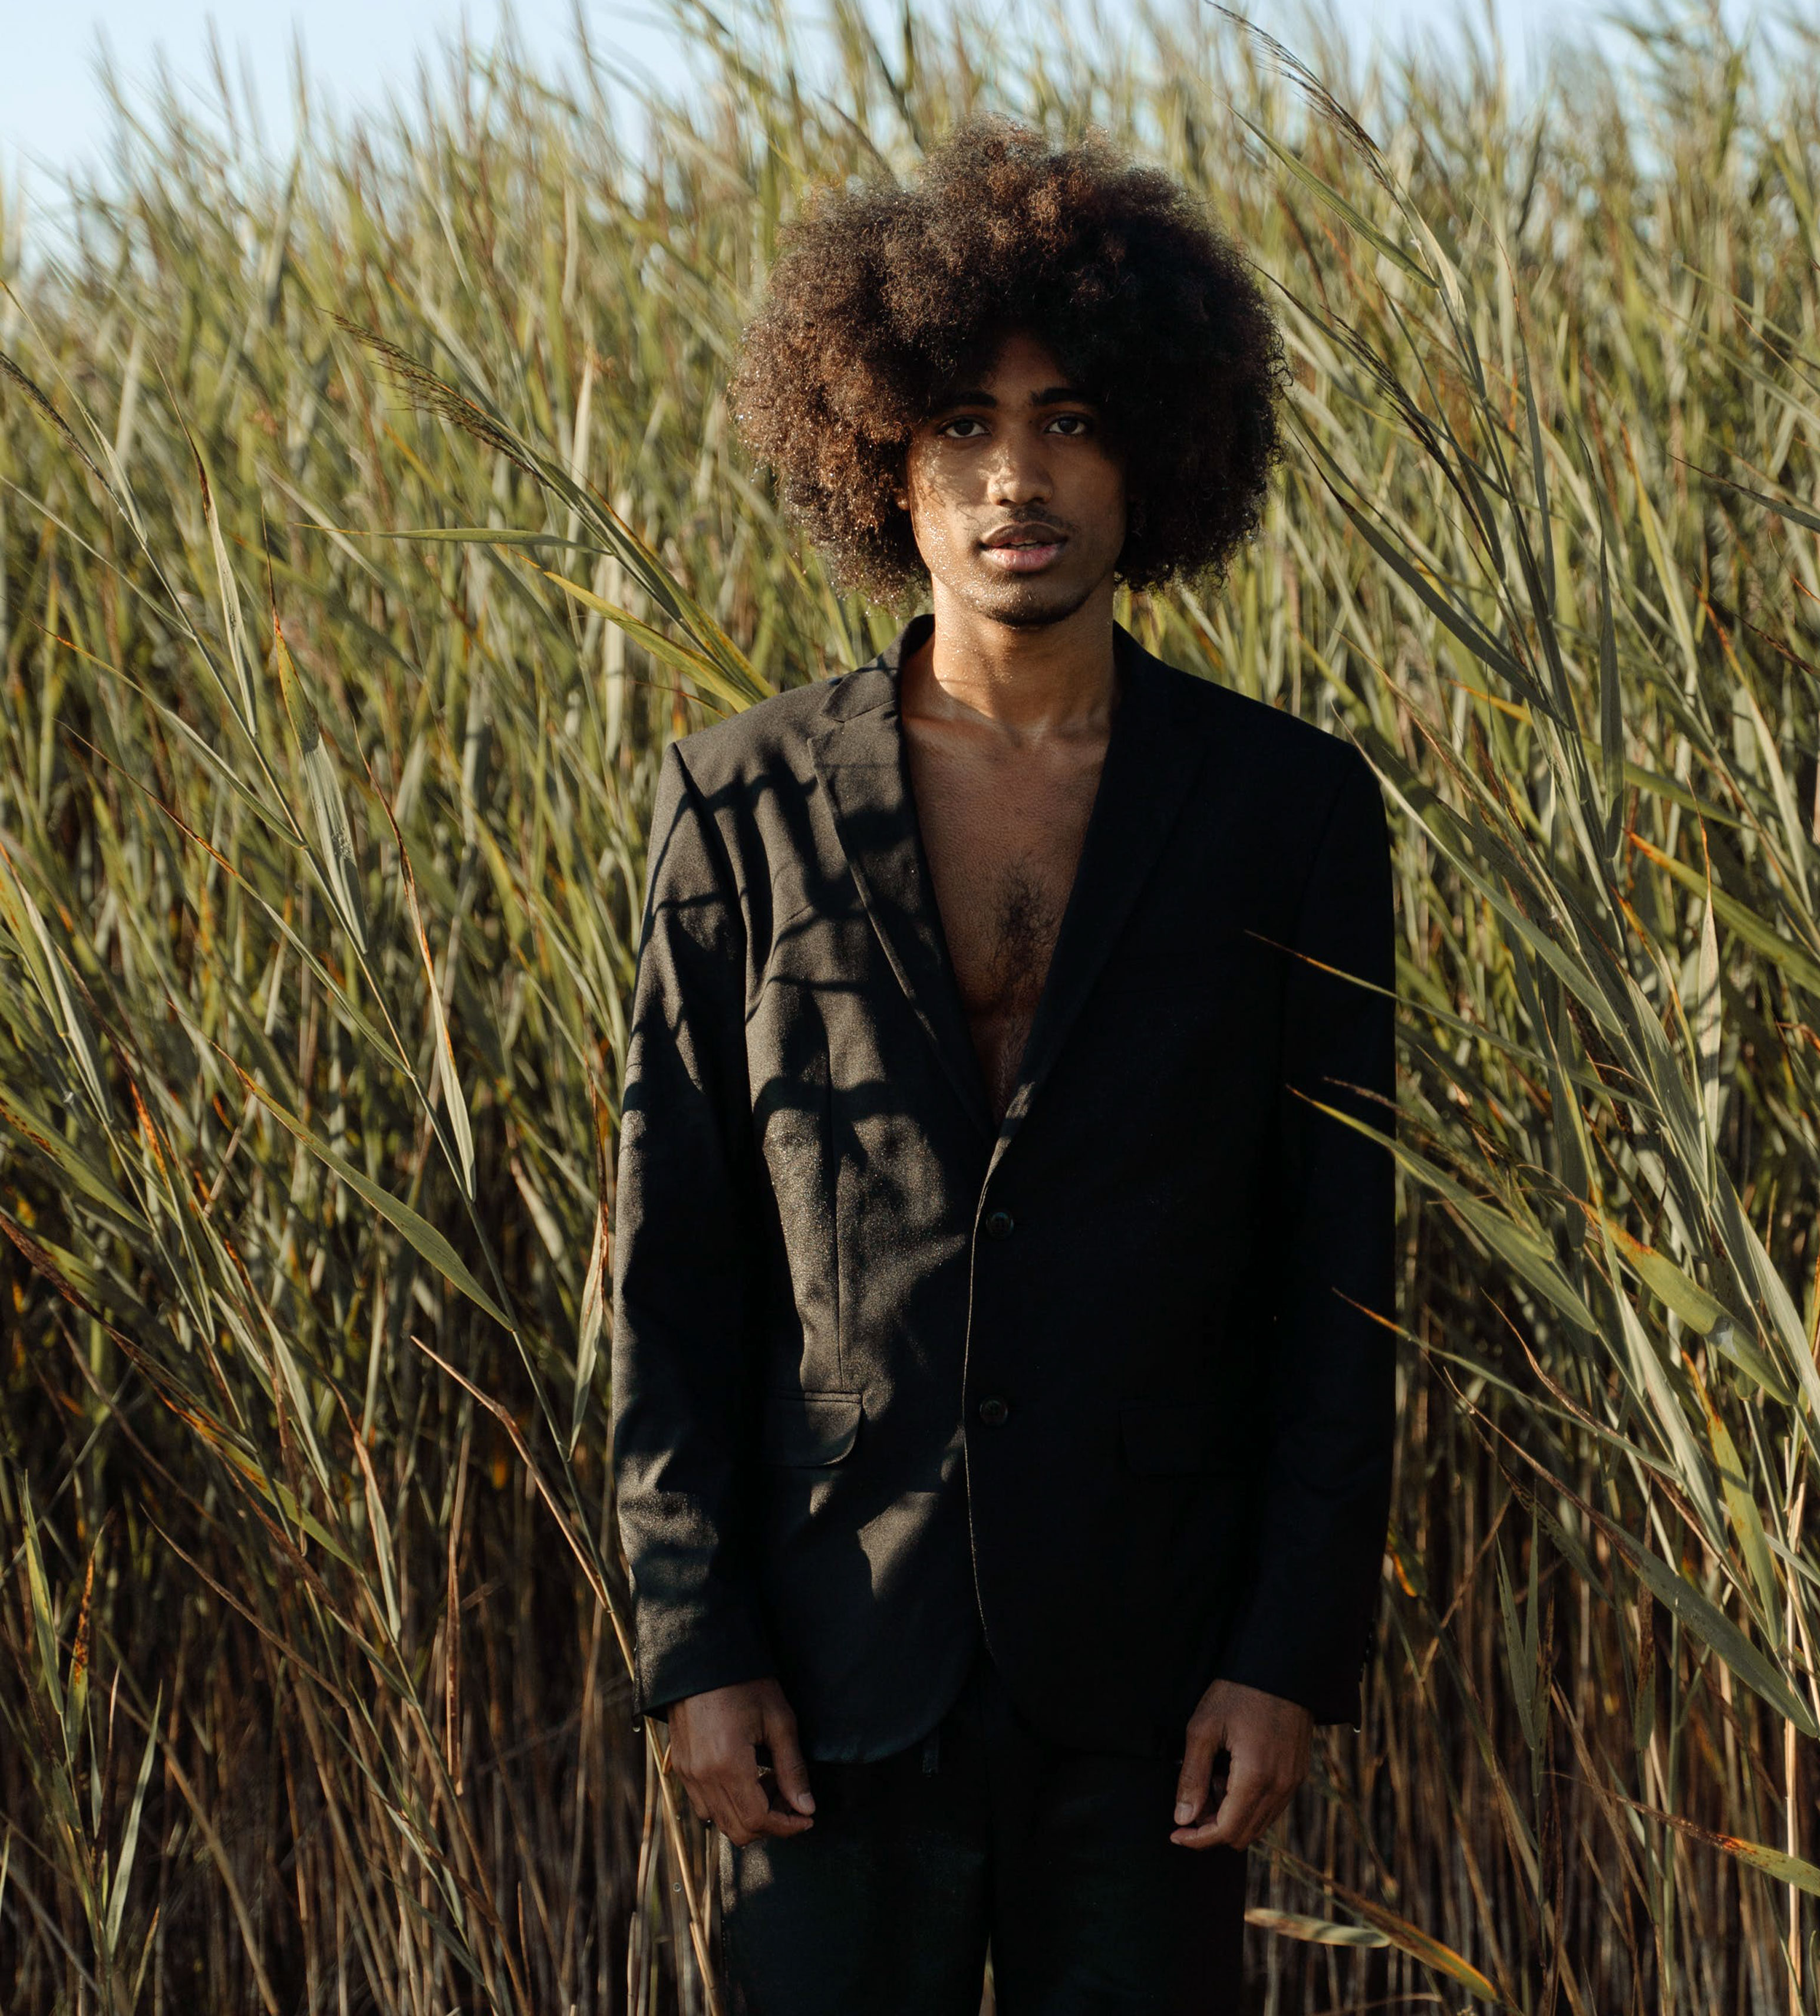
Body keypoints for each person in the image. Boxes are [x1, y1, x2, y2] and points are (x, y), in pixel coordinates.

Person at [610, 116, 1396, 2015]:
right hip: (830, 1657)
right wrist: (692, 1641)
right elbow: (671, 1255)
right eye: (960, 423)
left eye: (1068, 420)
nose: (1013, 477)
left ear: (1159, 449)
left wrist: (1282, 1652)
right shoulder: (735, 800)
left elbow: (1338, 1265)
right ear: (878, 452)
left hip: (1153, 1668)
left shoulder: (1286, 810)